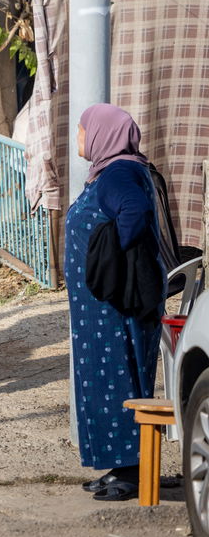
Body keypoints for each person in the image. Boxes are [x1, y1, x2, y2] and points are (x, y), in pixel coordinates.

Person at [65, 103, 163, 502]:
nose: (78, 136)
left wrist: (112, 258)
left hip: (114, 305)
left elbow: (134, 211)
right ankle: (121, 466)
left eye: (82, 129)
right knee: (107, 379)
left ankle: (131, 471)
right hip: (104, 306)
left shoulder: (119, 172)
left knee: (115, 380)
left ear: (102, 134)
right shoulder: (115, 170)